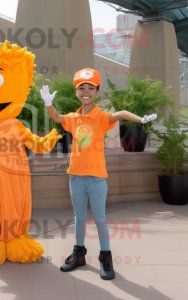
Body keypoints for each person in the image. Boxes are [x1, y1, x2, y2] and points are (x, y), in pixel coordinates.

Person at [40, 68, 157, 280]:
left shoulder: (102, 118)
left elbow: (120, 114)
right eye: (81, 88)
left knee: (100, 220)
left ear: (97, 92)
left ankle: (105, 258)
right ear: (77, 93)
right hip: (75, 177)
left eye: (90, 88)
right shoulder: (73, 118)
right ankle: (79, 255)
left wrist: (141, 120)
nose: (86, 92)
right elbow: (56, 117)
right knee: (79, 219)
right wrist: (48, 102)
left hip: (97, 179)